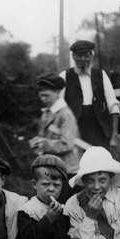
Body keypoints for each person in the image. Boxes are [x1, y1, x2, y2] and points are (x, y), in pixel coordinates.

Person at [29, 73, 81, 203]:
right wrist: (37, 142)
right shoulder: (47, 112)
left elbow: (67, 143)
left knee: (63, 204)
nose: (43, 98)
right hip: (53, 167)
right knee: (52, 202)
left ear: (57, 92)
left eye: (46, 95)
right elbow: (44, 135)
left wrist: (44, 143)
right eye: (41, 94)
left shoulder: (65, 114)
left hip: (67, 169)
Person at [59, 40, 120, 148]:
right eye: (79, 56)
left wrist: (114, 135)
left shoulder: (101, 75)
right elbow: (59, 106)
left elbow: (113, 106)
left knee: (100, 162)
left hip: (99, 129)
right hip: (75, 129)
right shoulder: (64, 76)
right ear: (73, 57)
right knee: (77, 162)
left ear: (92, 57)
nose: (83, 59)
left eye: (86, 55)